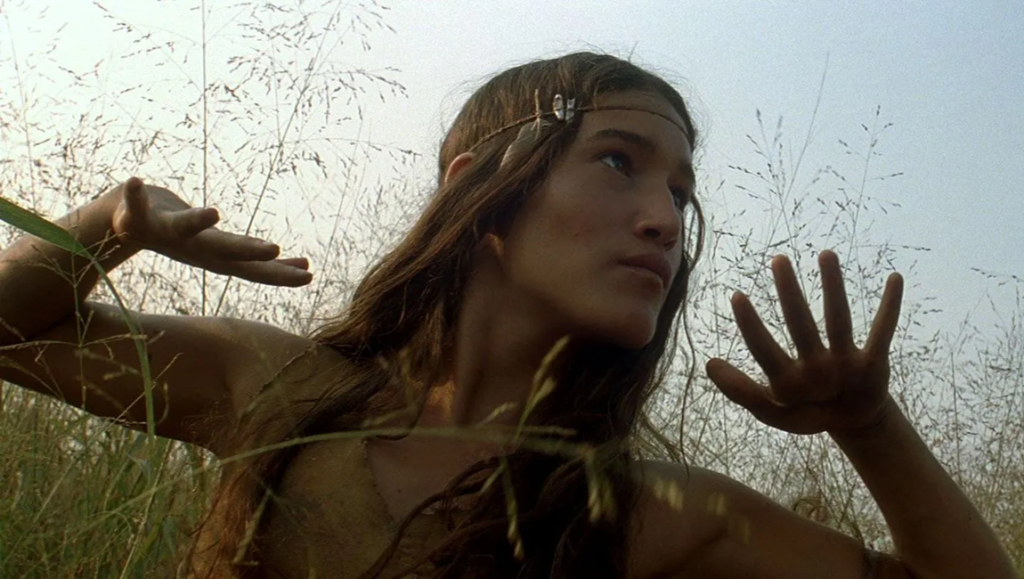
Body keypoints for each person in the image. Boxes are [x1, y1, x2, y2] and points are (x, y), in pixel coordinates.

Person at [0, 52, 1014, 579]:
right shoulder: (273, 390)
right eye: (619, 161)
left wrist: (870, 428)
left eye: (681, 193)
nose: (664, 220)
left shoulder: (644, 515)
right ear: (478, 183)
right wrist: (106, 222)